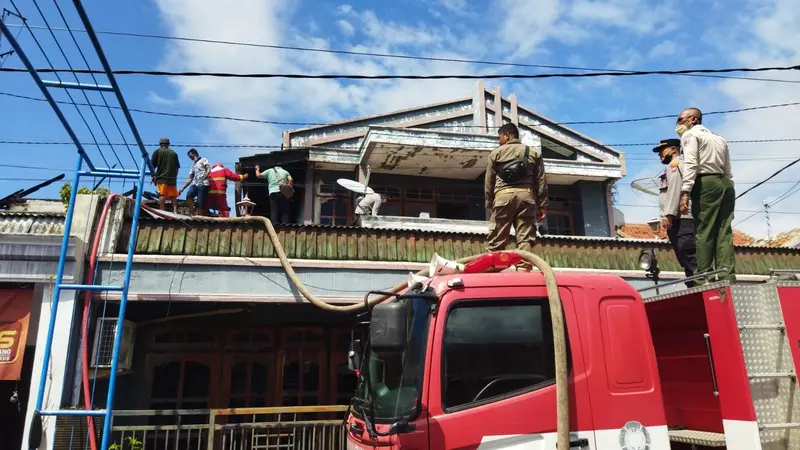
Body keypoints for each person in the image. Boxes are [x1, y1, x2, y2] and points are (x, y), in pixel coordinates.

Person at [676, 107, 736, 283]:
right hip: (725, 184)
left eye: (680, 119)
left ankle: (704, 276)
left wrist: (685, 191)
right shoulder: (720, 139)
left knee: (704, 230)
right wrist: (727, 186)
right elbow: (728, 171)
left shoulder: (690, 136)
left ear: (693, 119)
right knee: (724, 231)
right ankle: (727, 276)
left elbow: (691, 164)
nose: (678, 124)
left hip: (705, 183)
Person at [484, 123, 548, 272]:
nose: (498, 141)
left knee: (497, 239)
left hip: (503, 197)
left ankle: (492, 273)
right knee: (525, 239)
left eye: (499, 137)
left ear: (507, 136)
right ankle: (524, 272)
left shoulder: (496, 153)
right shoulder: (533, 153)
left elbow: (489, 182)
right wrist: (542, 205)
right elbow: (541, 181)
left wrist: (489, 203)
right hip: (527, 197)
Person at [654, 138, 697, 286]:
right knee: (684, 257)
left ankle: (698, 284)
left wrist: (669, 214)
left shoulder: (675, 164)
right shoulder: (672, 166)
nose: (660, 154)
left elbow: (675, 190)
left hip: (682, 218)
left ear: (673, 149)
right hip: (679, 219)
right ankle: (693, 284)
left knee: (688, 254)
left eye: (662, 150)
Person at [150, 137, 180, 213]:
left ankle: (162, 211)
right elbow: (177, 168)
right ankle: (175, 211)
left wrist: (152, 176)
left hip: (161, 178)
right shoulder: (174, 153)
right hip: (172, 178)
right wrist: (174, 177)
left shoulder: (157, 151)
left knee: (161, 194)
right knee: (173, 195)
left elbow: (152, 166)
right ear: (168, 144)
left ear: (160, 144)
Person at [179, 148, 211, 216]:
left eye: (191, 156)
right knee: (189, 195)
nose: (190, 158)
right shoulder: (193, 166)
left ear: (195, 153)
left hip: (203, 184)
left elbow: (208, 167)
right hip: (195, 184)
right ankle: (192, 212)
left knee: (200, 203)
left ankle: (199, 218)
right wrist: (182, 188)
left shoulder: (203, 160)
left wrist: (207, 174)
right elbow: (190, 178)